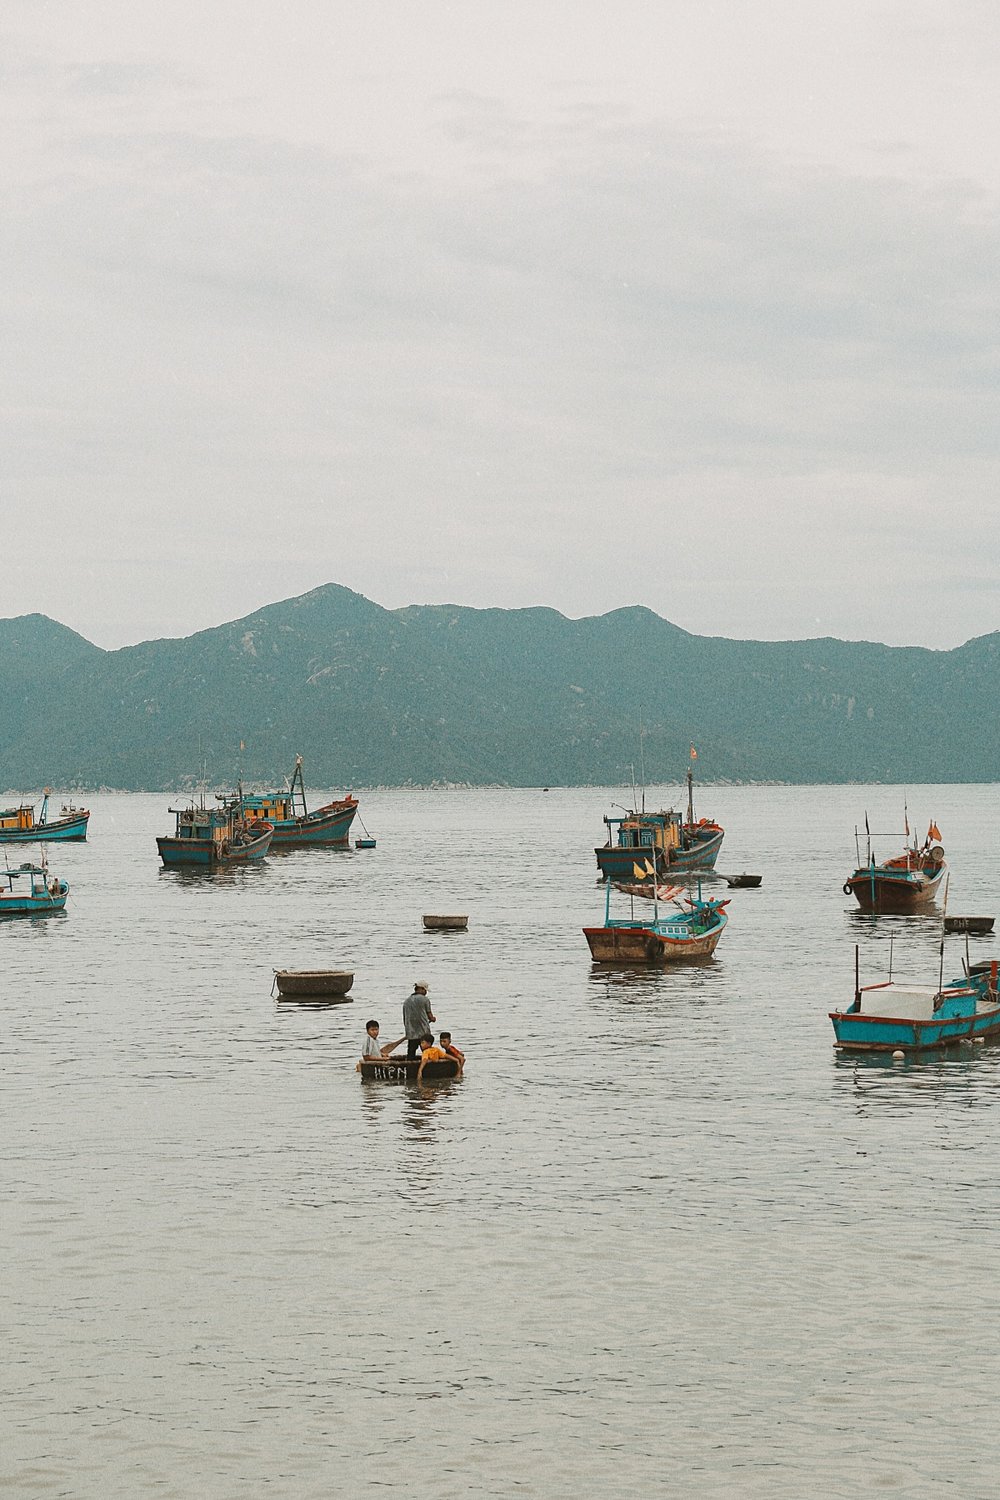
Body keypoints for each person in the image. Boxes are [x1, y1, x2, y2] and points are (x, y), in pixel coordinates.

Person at [402, 982, 435, 1059]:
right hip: (423, 1031)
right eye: (425, 990)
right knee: (427, 1051)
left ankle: (410, 1065)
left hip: (411, 1032)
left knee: (411, 1051)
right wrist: (432, 1019)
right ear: (421, 989)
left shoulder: (407, 1001)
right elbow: (429, 1015)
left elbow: (405, 1017)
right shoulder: (425, 1000)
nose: (426, 992)